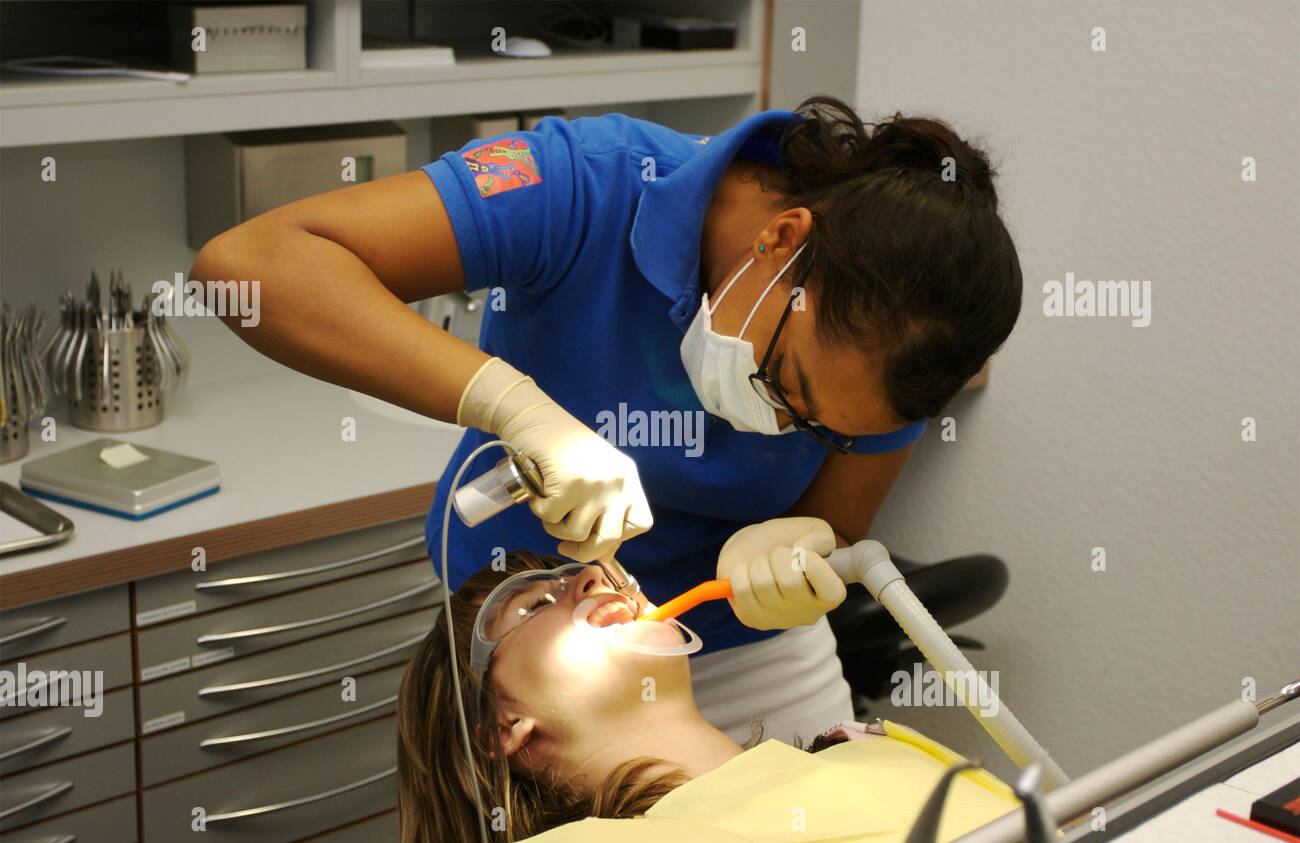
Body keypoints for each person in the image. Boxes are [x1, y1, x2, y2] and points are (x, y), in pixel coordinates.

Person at [192, 95, 1022, 749]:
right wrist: (515, 408)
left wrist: (798, 554)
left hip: (750, 654)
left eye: (818, 428)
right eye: (783, 381)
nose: (777, 426)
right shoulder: (587, 182)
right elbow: (249, 267)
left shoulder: (905, 345)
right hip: (543, 655)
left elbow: (838, 524)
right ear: (781, 240)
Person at [396, 549, 1022, 843]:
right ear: (500, 730)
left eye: (577, 570)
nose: (593, 578)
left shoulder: (865, 747)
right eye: (533, 606)